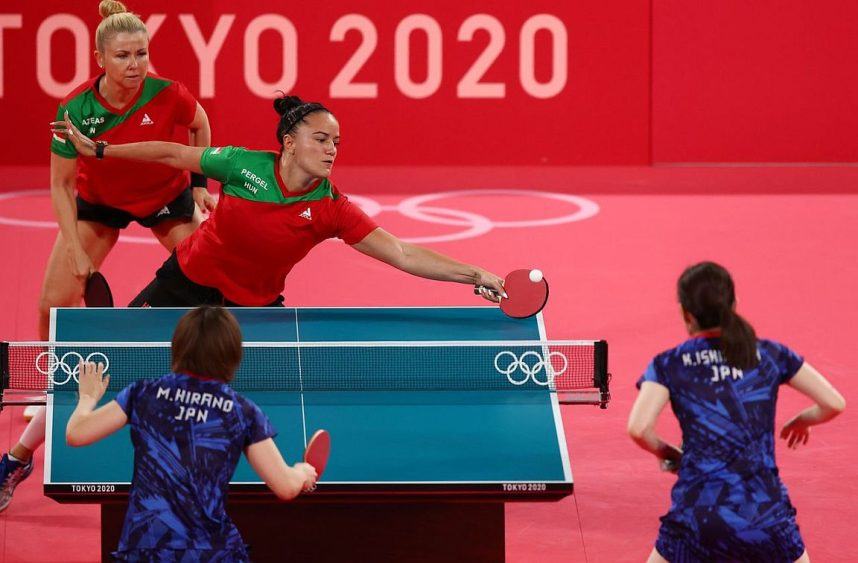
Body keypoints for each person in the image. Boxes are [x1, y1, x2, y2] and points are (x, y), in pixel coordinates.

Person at [0, 0, 214, 514]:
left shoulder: (170, 94)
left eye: (142, 53)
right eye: (123, 55)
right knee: (54, 300)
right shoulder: (72, 111)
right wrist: (75, 249)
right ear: (101, 59)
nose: (136, 64)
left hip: (166, 198)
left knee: (210, 278)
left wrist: (202, 185)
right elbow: (59, 185)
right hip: (100, 204)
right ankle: (44, 389)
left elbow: (202, 128)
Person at [53, 94, 507, 308]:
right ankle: (20, 454)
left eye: (337, 142)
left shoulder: (332, 208)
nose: (332, 149)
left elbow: (403, 254)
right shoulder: (240, 165)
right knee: (119, 361)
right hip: (185, 281)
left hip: (252, 310)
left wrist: (475, 274)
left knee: (248, 407)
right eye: (321, 139)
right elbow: (172, 152)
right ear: (289, 142)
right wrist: (100, 149)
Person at [628, 261, 845, 563]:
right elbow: (834, 403)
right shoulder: (771, 354)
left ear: (685, 313)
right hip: (764, 515)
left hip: (697, 516)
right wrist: (801, 420)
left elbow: (638, 429)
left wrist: (670, 454)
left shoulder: (669, 363)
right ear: (734, 304)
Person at [65, 306, 318, 561]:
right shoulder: (241, 411)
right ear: (231, 355)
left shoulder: (143, 394)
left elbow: (77, 433)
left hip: (147, 547)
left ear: (178, 348)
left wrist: (87, 398)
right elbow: (285, 487)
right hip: (209, 552)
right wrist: (301, 472)